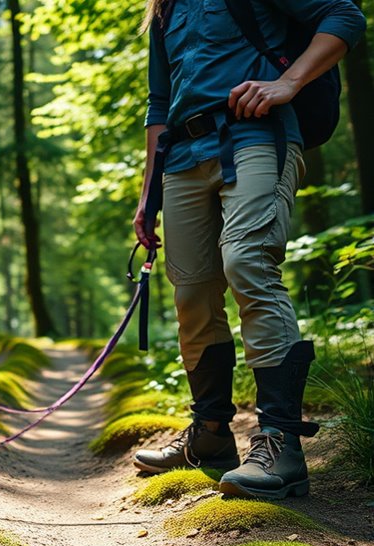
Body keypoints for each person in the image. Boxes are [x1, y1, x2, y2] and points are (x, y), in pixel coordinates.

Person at [130, 0, 366, 499]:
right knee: (191, 292)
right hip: (183, 156)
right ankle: (211, 437)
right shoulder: (164, 8)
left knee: (248, 263)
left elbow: (345, 16)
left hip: (255, 136)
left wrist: (290, 82)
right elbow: (158, 101)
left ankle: (281, 445)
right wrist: (148, 198)